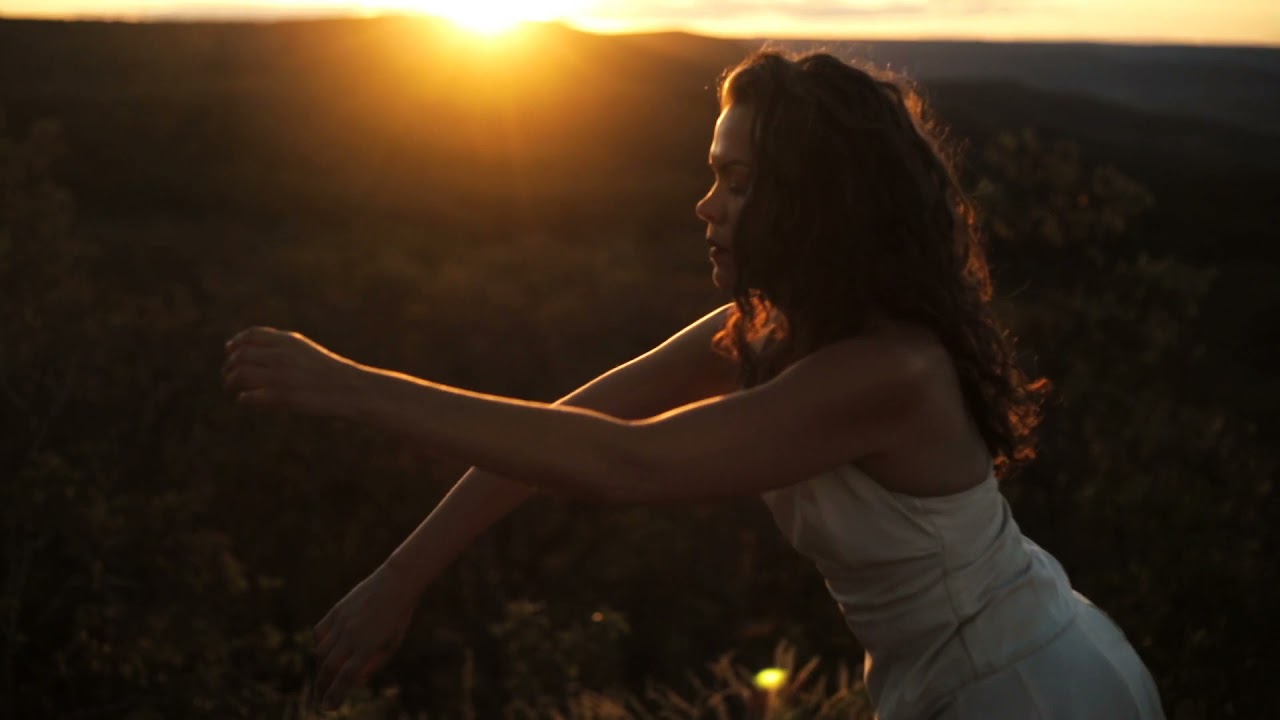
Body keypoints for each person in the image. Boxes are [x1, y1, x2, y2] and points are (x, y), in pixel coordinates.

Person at [223, 51, 1165, 719]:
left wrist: (356, 387)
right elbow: (574, 424)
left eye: (738, 182)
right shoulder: (769, 328)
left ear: (812, 201)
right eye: (714, 175)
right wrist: (402, 576)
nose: (706, 205)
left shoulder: (890, 371)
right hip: (947, 674)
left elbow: (624, 462)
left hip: (1030, 686)